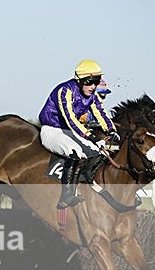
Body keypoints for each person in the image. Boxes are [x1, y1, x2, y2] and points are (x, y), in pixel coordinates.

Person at [39, 60, 120, 209]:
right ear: (80, 80)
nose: (93, 86)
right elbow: (70, 119)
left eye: (96, 82)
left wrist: (111, 130)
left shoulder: (92, 96)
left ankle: (87, 183)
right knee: (74, 151)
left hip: (70, 132)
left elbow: (101, 113)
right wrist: (89, 135)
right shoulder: (65, 91)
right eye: (90, 82)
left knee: (98, 152)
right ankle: (66, 196)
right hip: (52, 130)